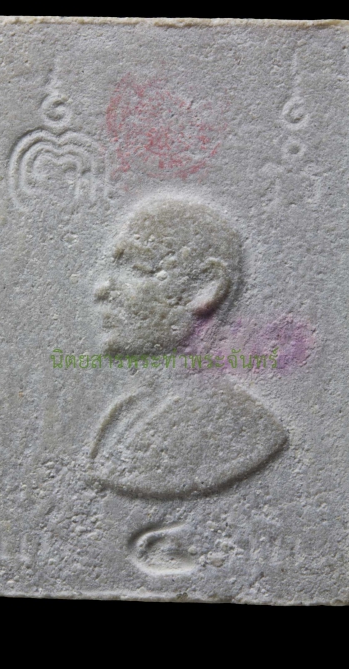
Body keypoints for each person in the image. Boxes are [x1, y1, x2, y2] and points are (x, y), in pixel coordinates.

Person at [89, 196, 287, 498]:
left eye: (135, 268)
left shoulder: (238, 428)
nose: (102, 289)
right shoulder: (125, 414)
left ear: (204, 287)